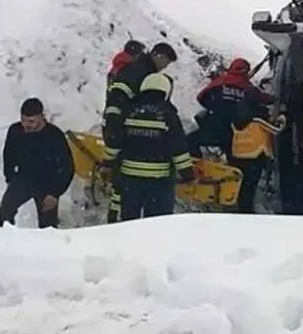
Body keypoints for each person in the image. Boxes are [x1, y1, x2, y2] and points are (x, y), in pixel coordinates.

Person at [104, 72, 195, 221]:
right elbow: (178, 147)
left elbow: (114, 141)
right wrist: (187, 174)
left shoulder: (128, 110)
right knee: (156, 224)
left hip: (129, 178)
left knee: (128, 222)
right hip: (159, 181)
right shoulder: (168, 113)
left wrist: (107, 163)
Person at [0, 98, 75, 228]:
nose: (26, 125)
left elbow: (68, 167)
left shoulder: (55, 135)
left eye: (31, 121)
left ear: (41, 117)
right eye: (23, 120)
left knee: (47, 228)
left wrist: (55, 194)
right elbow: (8, 156)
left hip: (47, 185)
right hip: (23, 180)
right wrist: (10, 178)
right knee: (5, 211)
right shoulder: (15, 131)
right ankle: (6, 242)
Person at [189, 57, 275, 158]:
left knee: (190, 141)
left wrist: (212, 107)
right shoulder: (248, 86)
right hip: (238, 133)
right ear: (246, 71)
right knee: (235, 154)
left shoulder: (218, 82)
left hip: (215, 126)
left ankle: (197, 163)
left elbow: (200, 97)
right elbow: (264, 99)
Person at [102, 41, 178, 153]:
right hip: (124, 127)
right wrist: (114, 129)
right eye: (166, 63)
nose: (164, 67)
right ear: (158, 55)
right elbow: (118, 98)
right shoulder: (138, 71)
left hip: (127, 126)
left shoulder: (140, 69)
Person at [229, 104, 286, 213]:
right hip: (254, 156)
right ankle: (250, 212)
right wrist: (282, 117)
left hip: (238, 156)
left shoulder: (236, 120)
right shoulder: (258, 121)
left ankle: (243, 210)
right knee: (252, 187)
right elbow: (276, 129)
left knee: (243, 188)